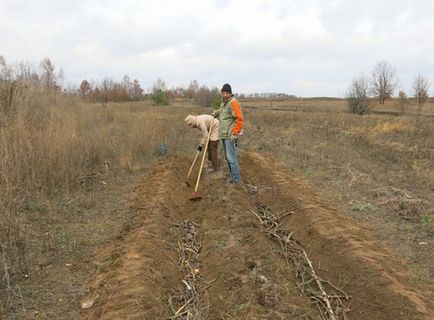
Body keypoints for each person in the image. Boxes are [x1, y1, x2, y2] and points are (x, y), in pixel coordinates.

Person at [213, 83, 244, 184]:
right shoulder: (224, 102)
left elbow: (240, 119)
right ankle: (233, 177)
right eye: (223, 93)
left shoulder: (233, 103)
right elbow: (223, 112)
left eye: (227, 93)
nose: (225, 95)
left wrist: (235, 133)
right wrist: (216, 113)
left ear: (230, 93)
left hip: (230, 135)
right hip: (224, 134)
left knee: (231, 158)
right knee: (228, 157)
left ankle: (236, 180)